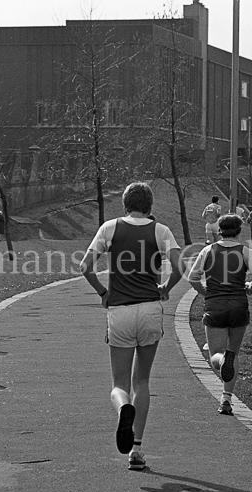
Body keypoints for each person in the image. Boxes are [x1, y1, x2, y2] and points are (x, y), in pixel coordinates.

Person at [80, 182, 184, 471]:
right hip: (150, 309)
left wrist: (103, 292)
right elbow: (181, 267)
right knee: (142, 382)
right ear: (150, 206)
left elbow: (85, 267)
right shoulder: (161, 231)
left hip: (120, 311)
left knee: (119, 384)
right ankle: (136, 450)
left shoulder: (109, 228)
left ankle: (123, 407)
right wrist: (165, 289)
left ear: (125, 204)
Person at [187, 214, 252, 415]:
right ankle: (226, 399)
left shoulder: (208, 251)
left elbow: (193, 277)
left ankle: (223, 360)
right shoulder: (246, 252)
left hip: (215, 305)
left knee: (216, 354)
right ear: (239, 231)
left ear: (219, 230)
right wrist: (250, 287)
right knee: (234, 352)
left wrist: (205, 292)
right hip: (239, 304)